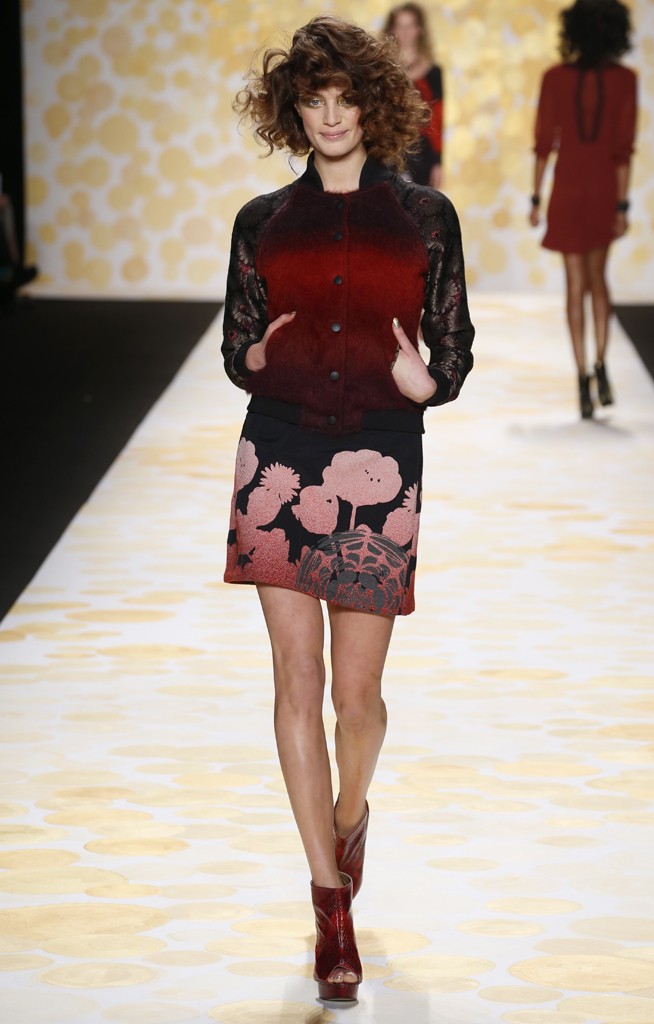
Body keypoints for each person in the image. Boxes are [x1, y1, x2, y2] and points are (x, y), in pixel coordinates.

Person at [222, 14, 474, 1004]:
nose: (330, 117)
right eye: (312, 100)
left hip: (377, 452)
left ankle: (349, 813)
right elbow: (237, 343)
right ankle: (331, 904)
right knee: (295, 679)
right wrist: (253, 353)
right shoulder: (260, 221)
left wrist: (428, 381)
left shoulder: (423, 217)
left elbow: (452, 345)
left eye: (343, 99)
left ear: (370, 105)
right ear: (291, 111)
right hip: (278, 457)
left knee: (356, 700)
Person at [530, 0, 637, 419]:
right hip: (602, 190)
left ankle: (581, 375)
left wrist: (536, 198)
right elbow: (623, 150)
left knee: (576, 284)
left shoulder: (555, 78)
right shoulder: (625, 80)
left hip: (568, 189)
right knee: (597, 280)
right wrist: (622, 205)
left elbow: (544, 144)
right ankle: (600, 364)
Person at [383, 3, 443, 188]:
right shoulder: (380, 70)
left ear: (419, 29)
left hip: (422, 155)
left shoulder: (433, 72)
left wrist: (438, 162)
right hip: (387, 150)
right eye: (400, 25)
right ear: (392, 29)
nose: (405, 32)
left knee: (419, 204)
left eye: (410, 25)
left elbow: (437, 118)